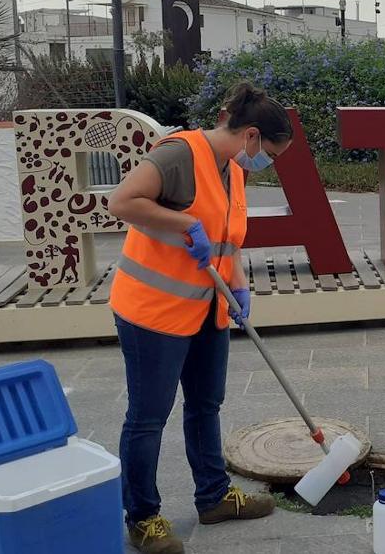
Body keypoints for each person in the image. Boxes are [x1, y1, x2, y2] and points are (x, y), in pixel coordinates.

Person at [107, 82, 292, 554]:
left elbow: (228, 239)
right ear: (251, 135)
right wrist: (184, 224)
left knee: (205, 405)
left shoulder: (232, 169)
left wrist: (241, 285)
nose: (267, 162)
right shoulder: (179, 155)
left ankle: (213, 497)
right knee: (148, 418)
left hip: (207, 310)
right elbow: (122, 202)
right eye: (269, 152)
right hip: (152, 313)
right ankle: (143, 517)